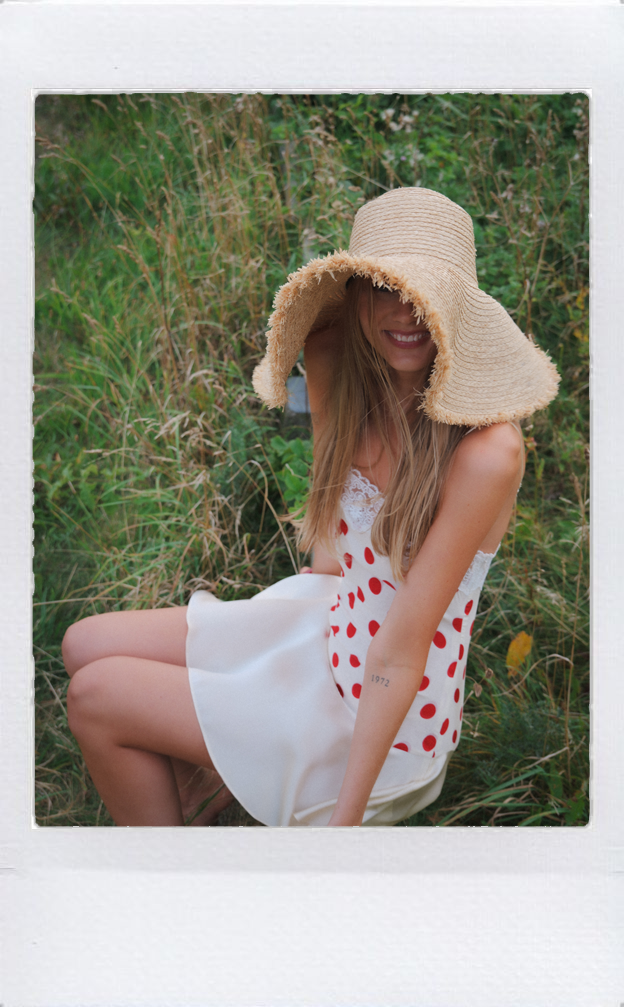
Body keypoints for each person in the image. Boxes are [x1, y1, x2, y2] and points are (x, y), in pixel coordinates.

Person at [62, 187, 559, 827]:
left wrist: (341, 831)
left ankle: (176, 886)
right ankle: (205, 785)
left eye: (426, 294)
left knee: (96, 695)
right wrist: (262, 645)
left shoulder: (488, 452)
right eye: (385, 287)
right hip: (331, 625)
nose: (406, 313)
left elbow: (400, 652)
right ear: (355, 296)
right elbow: (332, 553)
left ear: (457, 309)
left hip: (385, 721)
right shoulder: (340, 368)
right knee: (83, 643)